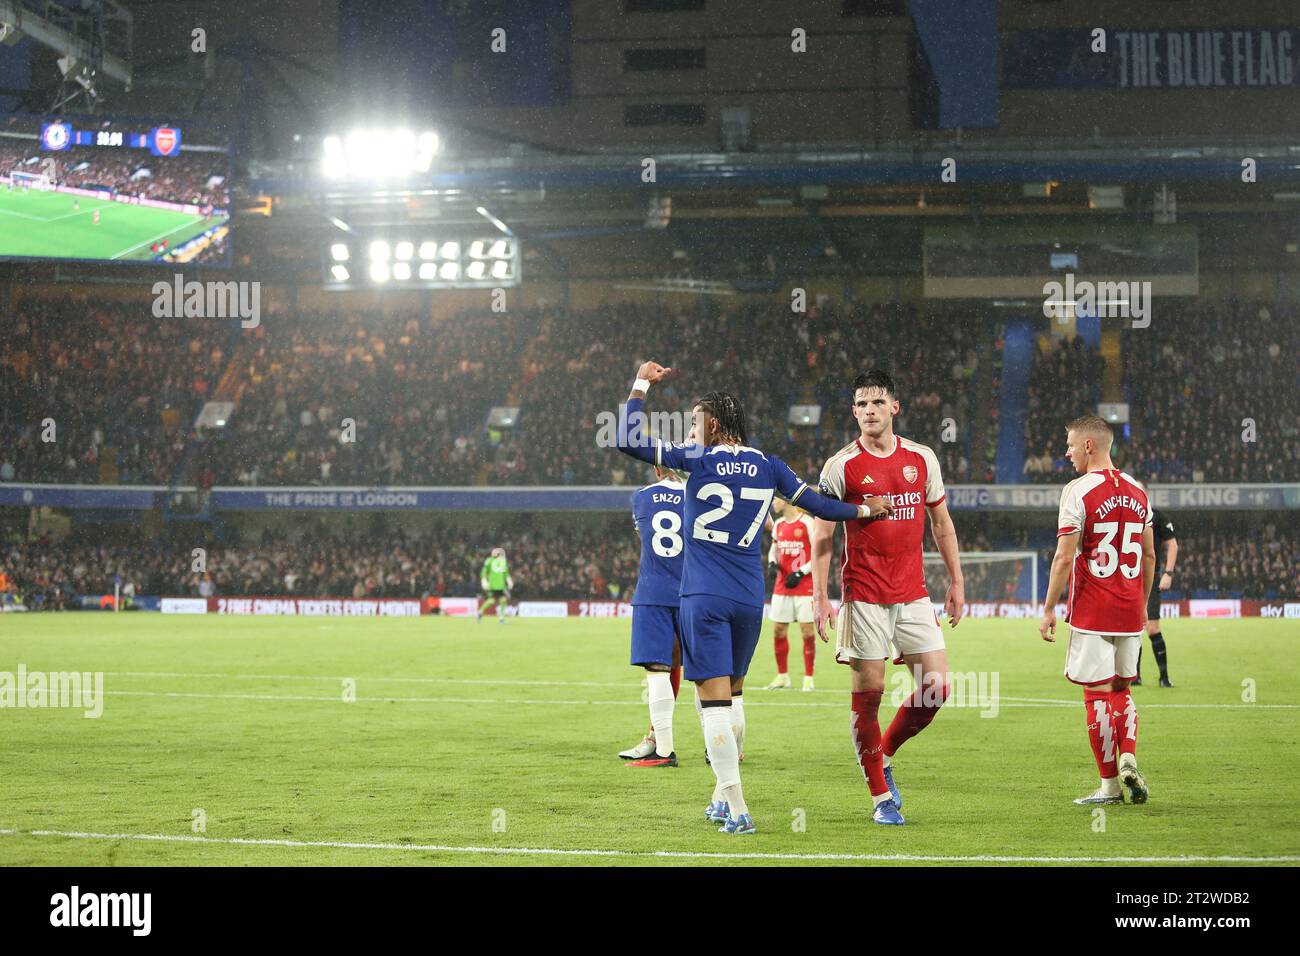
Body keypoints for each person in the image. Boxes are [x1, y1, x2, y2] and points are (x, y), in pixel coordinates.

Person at [617, 360, 891, 835]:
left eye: (695, 422)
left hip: (702, 597)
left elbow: (627, 439)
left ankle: (739, 807)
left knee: (713, 705)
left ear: (714, 425)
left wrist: (641, 383)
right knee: (735, 696)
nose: (690, 430)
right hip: (749, 600)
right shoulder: (769, 465)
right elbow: (819, 505)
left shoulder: (697, 459)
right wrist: (866, 508)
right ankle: (721, 798)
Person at [811, 369, 965, 827]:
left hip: (913, 594)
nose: (869, 411)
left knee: (936, 689)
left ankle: (885, 753)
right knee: (869, 694)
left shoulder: (922, 458)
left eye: (877, 402)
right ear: (854, 411)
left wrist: (956, 581)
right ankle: (880, 796)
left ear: (894, 407)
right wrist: (820, 597)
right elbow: (821, 534)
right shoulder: (841, 465)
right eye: (860, 404)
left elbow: (942, 524)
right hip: (864, 597)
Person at [1040, 415, 1155, 806]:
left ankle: (1108, 787)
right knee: (1122, 689)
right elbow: (1150, 553)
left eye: (1071, 445)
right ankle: (1128, 756)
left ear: (1090, 445)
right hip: (1129, 609)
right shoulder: (1139, 490)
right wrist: (1141, 604)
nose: (1067, 452)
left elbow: (1064, 556)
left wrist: (1048, 608)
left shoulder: (1078, 490)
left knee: (1096, 694)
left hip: (1093, 608)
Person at [618, 466, 687, 767]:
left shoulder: (641, 497)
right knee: (700, 669)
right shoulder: (699, 495)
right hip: (693, 589)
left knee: (657, 669)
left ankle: (664, 750)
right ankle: (721, 747)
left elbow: (644, 537)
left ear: (658, 468)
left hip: (654, 589)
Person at [765, 498, 818, 691]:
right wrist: (772, 563)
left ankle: (808, 678)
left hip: (805, 586)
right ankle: (782, 676)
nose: (773, 504)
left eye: (776, 500)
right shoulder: (778, 525)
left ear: (786, 501)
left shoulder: (808, 523)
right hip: (782, 586)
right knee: (778, 630)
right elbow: (773, 551)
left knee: (807, 632)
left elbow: (817, 554)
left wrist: (800, 572)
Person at [1133, 480, 1177, 688]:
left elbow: (1172, 544)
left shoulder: (1156, 516)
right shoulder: (1126, 516)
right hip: (1129, 579)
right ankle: (1134, 676)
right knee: (1131, 629)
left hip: (1149, 579)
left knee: (1152, 627)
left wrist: (1168, 572)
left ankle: (1164, 677)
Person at [477, 547, 513, 622]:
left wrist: (509, 580)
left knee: (503, 600)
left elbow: (506, 573)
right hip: (493, 585)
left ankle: (501, 617)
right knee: (491, 601)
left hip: (501, 585)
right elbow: (484, 571)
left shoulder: (503, 561)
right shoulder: (489, 561)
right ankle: (480, 611)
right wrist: (484, 580)